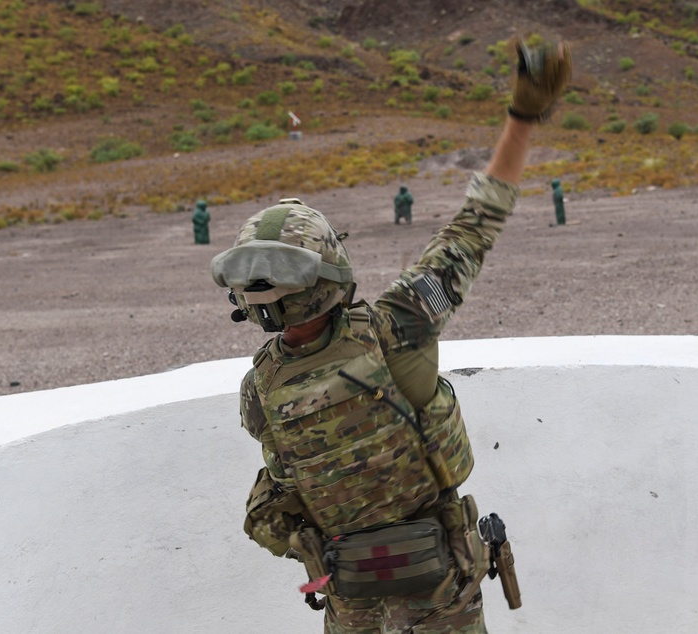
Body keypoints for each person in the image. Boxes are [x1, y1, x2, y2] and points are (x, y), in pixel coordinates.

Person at [210, 39, 571, 633]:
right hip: (439, 594)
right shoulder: (398, 327)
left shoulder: (261, 387)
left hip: (352, 603)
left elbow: (285, 494)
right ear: (329, 272)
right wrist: (523, 118)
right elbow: (476, 224)